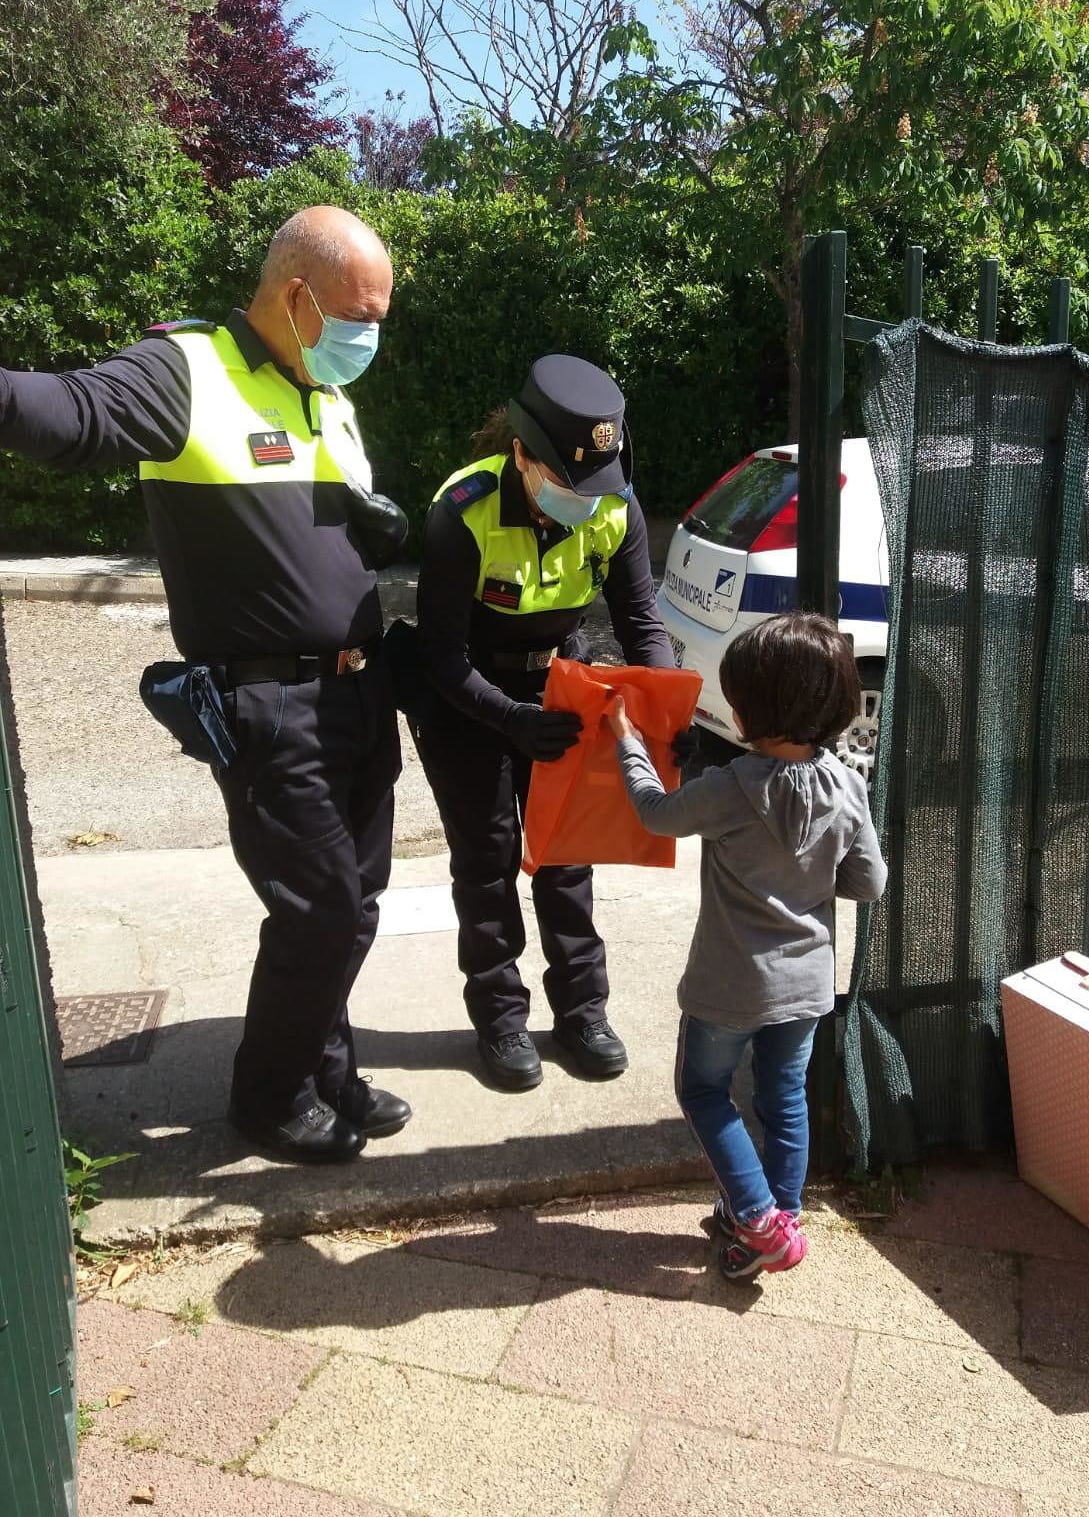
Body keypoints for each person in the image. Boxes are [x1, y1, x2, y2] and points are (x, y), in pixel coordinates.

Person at [0, 205, 412, 1164]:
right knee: (318, 909)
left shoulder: (326, 394)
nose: (370, 335)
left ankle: (326, 1069)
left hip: (358, 694)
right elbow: (73, 413)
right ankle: (267, 1098)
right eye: (360, 313)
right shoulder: (188, 371)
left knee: (358, 900)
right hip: (270, 707)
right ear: (296, 296)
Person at [413, 354, 686, 1090]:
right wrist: (510, 720)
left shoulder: (612, 506)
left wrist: (663, 709)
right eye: (569, 485)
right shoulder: (460, 513)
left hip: (561, 683)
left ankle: (582, 1013)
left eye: (598, 485)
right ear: (521, 457)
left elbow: (641, 621)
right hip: (468, 695)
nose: (588, 501)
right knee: (489, 860)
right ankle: (501, 1020)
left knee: (568, 857)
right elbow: (438, 655)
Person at [604, 611, 888, 1279]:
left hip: (727, 986)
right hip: (807, 988)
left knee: (704, 1091)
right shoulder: (849, 786)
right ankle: (774, 1221)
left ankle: (759, 1219)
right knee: (784, 1100)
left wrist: (627, 740)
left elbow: (654, 812)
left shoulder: (730, 787)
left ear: (747, 712)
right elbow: (869, 882)